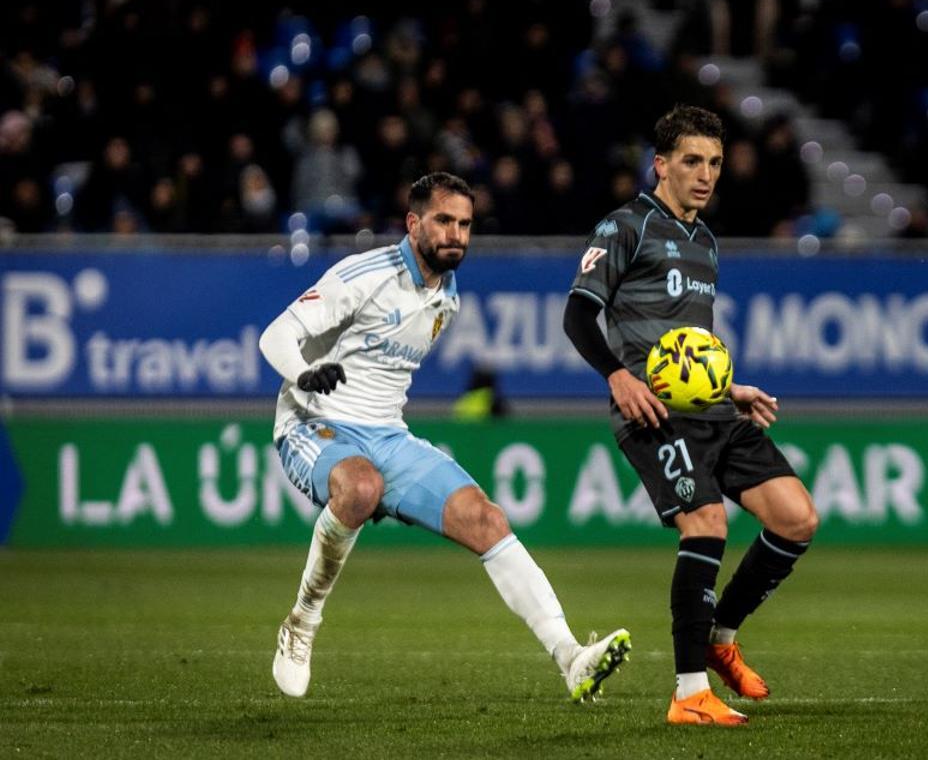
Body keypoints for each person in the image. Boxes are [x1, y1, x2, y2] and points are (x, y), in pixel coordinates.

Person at [260, 172, 630, 702]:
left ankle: (571, 658)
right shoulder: (366, 273)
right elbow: (276, 333)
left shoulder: (446, 298)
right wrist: (303, 374)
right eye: (443, 221)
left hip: (387, 434)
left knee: (488, 519)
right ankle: (302, 623)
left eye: (465, 224)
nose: (456, 234)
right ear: (413, 224)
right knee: (360, 489)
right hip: (314, 423)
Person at [562, 106, 819, 726]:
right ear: (662, 165)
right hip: (652, 414)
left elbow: (687, 348)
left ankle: (721, 636)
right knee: (705, 523)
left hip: (712, 411)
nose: (705, 175)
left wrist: (731, 390)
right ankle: (688, 693)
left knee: (797, 519)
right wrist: (617, 375)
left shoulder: (705, 241)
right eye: (692, 161)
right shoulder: (625, 227)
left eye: (715, 163)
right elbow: (576, 315)